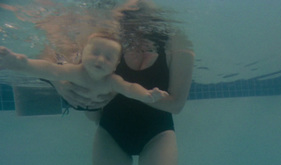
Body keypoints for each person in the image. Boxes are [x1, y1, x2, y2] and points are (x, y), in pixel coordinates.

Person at [45, 1, 194, 165]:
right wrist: (61, 81)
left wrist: (127, 91)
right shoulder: (105, 34)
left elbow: (177, 104)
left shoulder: (175, 35)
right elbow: (51, 53)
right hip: (111, 132)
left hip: (157, 133)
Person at [0, 32, 169, 105]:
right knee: (58, 65)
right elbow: (49, 70)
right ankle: (15, 62)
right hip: (73, 99)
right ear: (83, 54)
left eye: (109, 57)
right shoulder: (76, 71)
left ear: (116, 65)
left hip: (95, 106)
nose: (101, 59)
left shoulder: (112, 81)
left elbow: (130, 88)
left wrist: (145, 96)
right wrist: (22, 65)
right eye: (95, 53)